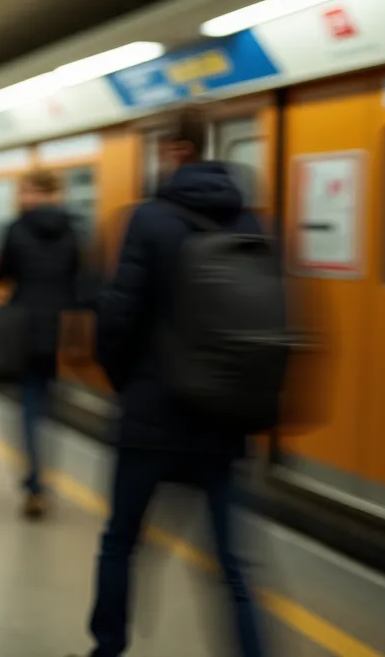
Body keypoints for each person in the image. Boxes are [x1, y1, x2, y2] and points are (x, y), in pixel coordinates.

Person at [74, 106, 265, 657]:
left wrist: (125, 384)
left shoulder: (150, 219)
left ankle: (107, 649)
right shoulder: (253, 222)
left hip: (152, 417)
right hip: (223, 419)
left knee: (121, 544)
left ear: (175, 151)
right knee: (231, 564)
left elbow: (117, 319)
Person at [0, 168, 81, 519]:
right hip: (59, 327)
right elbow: (80, 276)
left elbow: (2, 273)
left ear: (35, 192)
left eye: (24, 190)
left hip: (23, 327)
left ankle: (35, 483)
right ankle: (47, 475)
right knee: (50, 405)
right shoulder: (74, 229)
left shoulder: (16, 228)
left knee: (28, 406)